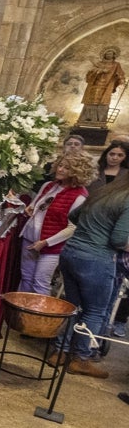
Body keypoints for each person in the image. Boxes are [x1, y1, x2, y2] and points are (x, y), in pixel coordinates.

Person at [47, 173, 129, 378]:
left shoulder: (103, 192)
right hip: (97, 259)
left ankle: (60, 352)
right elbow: (119, 239)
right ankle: (81, 359)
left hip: (70, 253)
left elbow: (74, 216)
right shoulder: (127, 199)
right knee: (95, 311)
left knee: (75, 307)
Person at [18, 152, 95, 295]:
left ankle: (38, 317)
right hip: (30, 238)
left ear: (77, 172)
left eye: (67, 168)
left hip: (52, 246)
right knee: (26, 278)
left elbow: (72, 228)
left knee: (40, 283)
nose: (60, 170)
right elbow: (35, 207)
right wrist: (29, 208)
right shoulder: (48, 186)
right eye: (60, 165)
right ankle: (20, 316)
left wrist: (46, 242)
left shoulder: (79, 196)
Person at [77, 48, 125, 126]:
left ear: (114, 55)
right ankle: (86, 119)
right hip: (94, 86)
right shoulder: (98, 63)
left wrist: (122, 80)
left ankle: (100, 121)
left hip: (106, 87)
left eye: (111, 53)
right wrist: (97, 71)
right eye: (107, 53)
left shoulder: (116, 65)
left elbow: (120, 74)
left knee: (103, 103)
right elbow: (89, 75)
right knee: (90, 102)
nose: (109, 55)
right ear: (104, 54)